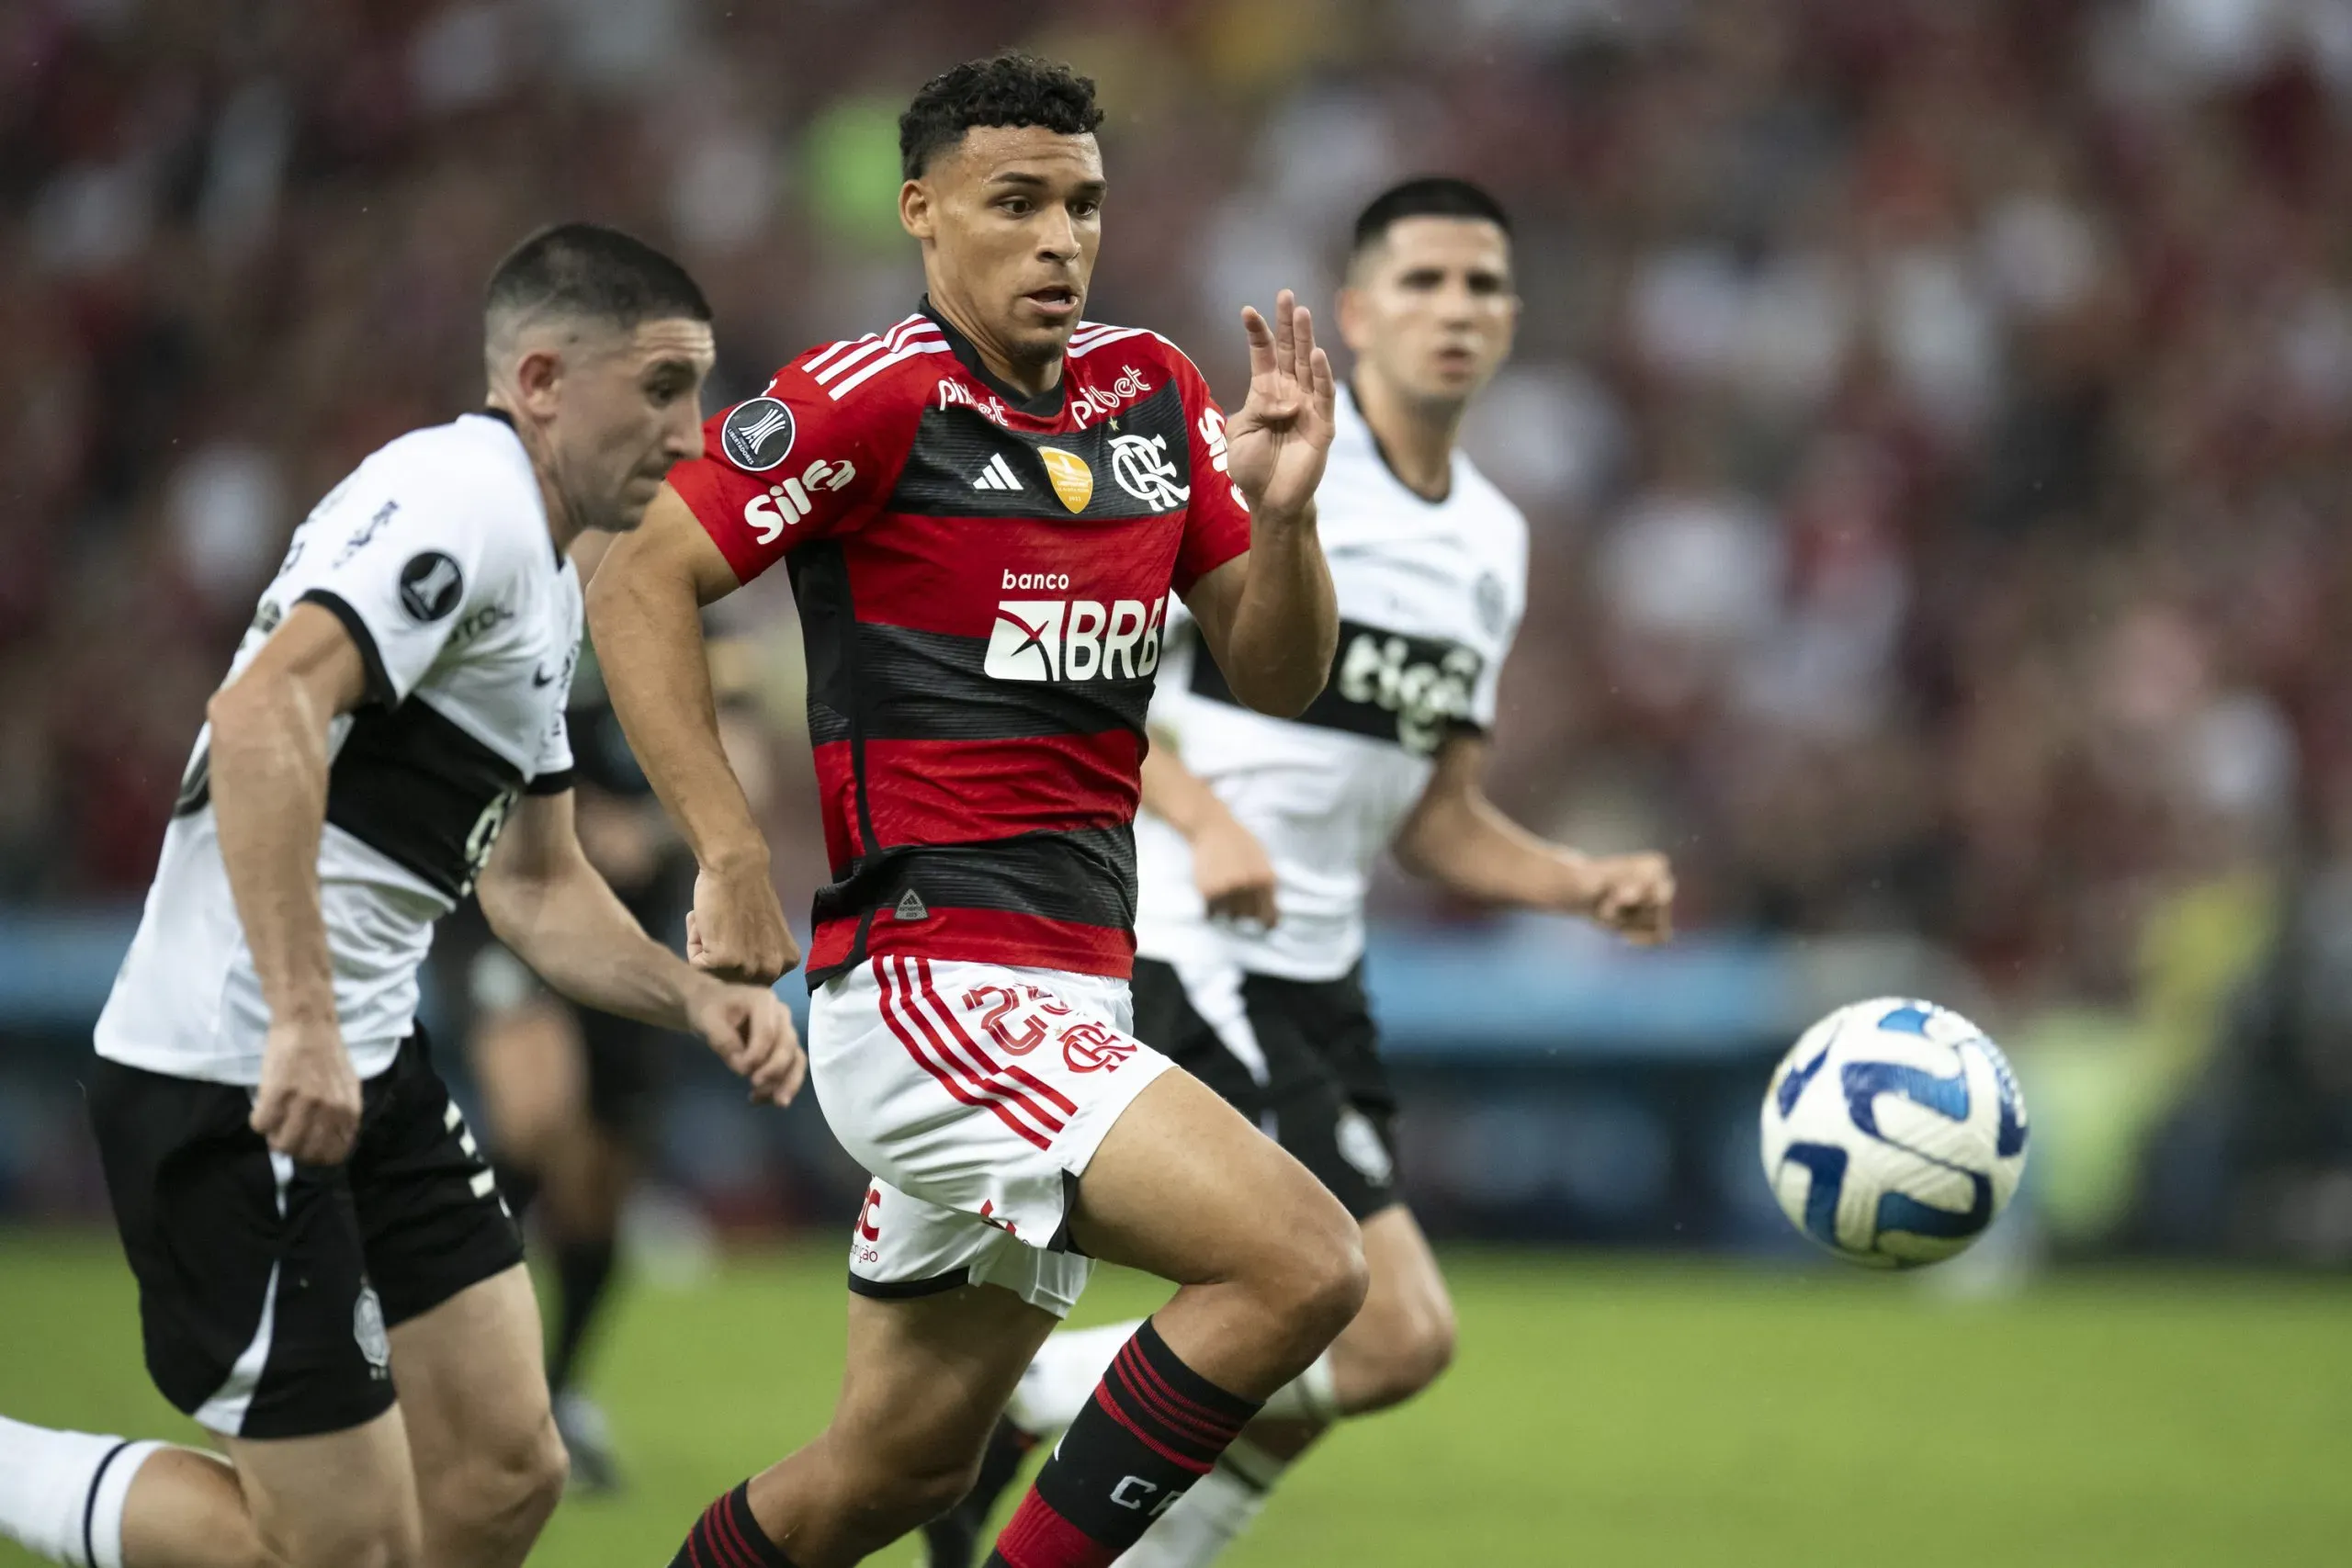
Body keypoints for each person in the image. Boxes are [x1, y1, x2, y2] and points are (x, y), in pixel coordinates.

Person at [589, 51, 1366, 1568]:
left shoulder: (1154, 391)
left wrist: (1287, 519)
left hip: (1070, 994)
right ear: (922, 213)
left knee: (880, 1477)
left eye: (1082, 202)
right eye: (1017, 202)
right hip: (930, 987)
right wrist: (732, 851)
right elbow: (639, 582)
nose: (1060, 237)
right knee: (1302, 1262)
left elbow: (1274, 671)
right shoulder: (870, 399)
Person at [0, 223, 805, 1568]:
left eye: (701, 387)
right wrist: (302, 1019)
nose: (692, 426)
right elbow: (263, 713)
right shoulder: (461, 497)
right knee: (335, 1547)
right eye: (661, 386)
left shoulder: (545, 574)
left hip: (370, 1063)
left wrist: (696, 997)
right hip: (241, 1066)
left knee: (502, 1468)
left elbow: (538, 886)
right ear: (541, 379)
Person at [926, 177, 1679, 1568]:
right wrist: (1205, 815)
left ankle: (1035, 1415)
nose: (1456, 309)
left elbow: (1436, 816)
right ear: (1355, 313)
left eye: (1483, 286)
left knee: (1366, 1353)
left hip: (1317, 973)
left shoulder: (1491, 543)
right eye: (1425, 282)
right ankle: (1013, 1400)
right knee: (1361, 1317)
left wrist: (1580, 884)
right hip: (1178, 927)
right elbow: (1067, 671)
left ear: (1512, 320)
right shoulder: (1245, 459)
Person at [446, 618, 763, 1495]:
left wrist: (661, 830)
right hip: (515, 903)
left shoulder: (699, 625)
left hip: (630, 931)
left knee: (595, 1186)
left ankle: (555, 1391)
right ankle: (425, 1337)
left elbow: (748, 760)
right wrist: (583, 819)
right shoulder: (532, 608)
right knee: (537, 1114)